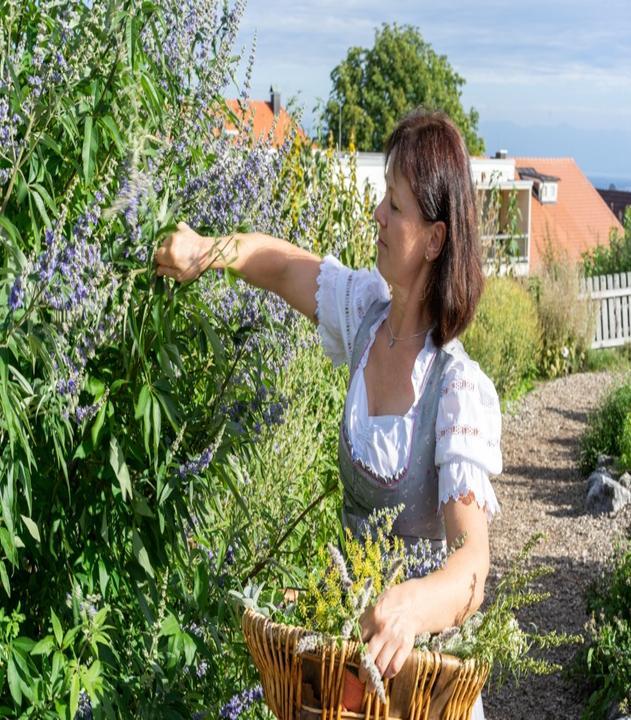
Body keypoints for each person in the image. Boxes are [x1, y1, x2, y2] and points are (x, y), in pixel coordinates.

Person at [155, 109, 501, 718]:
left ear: (436, 238)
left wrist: (411, 606)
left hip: (416, 689)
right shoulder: (365, 314)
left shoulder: (455, 389)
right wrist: (207, 252)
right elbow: (284, 264)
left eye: (394, 206)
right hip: (343, 675)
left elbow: (472, 564)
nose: (377, 216)